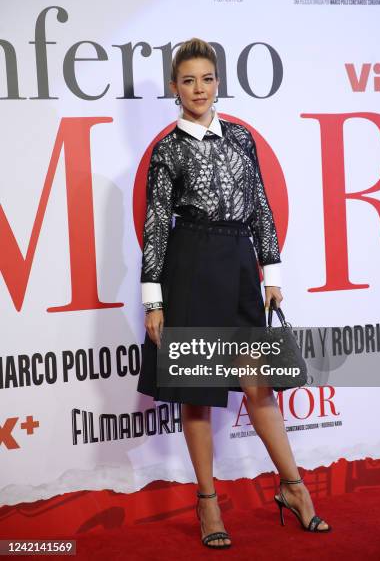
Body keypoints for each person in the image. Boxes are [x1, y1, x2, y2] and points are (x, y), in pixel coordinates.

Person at [137, 38, 331, 549]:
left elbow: (262, 208)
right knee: (196, 396)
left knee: (257, 385)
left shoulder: (241, 138)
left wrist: (272, 274)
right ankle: (208, 503)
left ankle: (294, 488)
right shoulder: (166, 149)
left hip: (242, 267)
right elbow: (156, 225)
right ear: (173, 88)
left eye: (206, 78)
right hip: (191, 268)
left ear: (217, 82)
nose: (198, 88)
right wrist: (153, 299)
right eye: (187, 80)